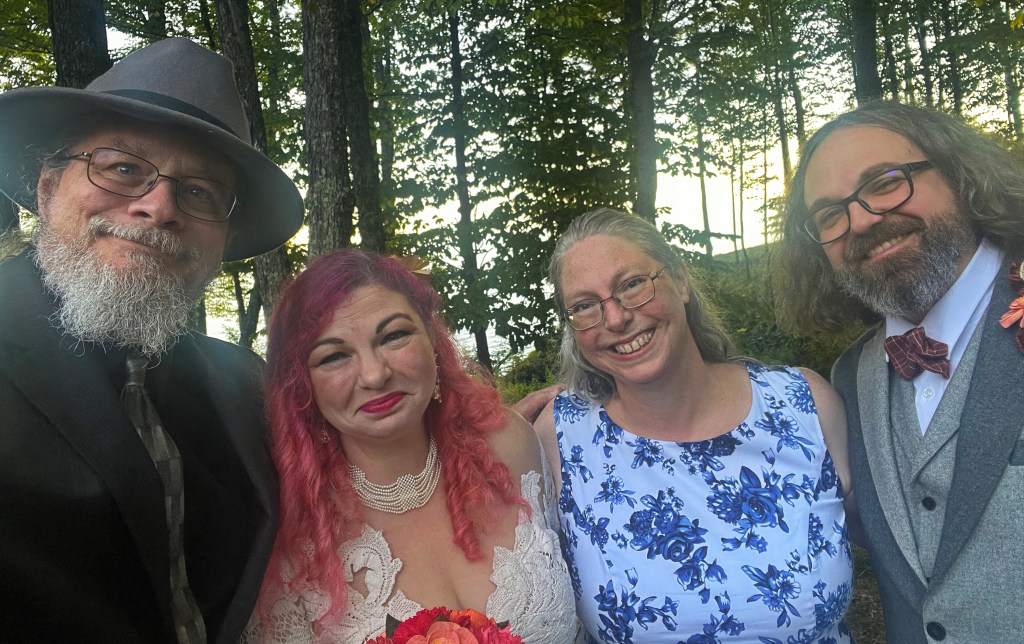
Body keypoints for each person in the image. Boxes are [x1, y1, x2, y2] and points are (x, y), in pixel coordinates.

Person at [0, 38, 303, 642]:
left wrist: (527, 428)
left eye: (199, 193)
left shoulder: (246, 384)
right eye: (121, 168)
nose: (159, 206)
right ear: (46, 190)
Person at [535, 208, 854, 643]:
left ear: (681, 281)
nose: (615, 319)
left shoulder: (804, 405)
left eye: (631, 285)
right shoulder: (560, 438)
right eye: (585, 306)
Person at [773, 101, 1024, 643]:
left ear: (960, 174)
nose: (860, 220)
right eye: (830, 215)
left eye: (885, 182)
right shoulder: (849, 379)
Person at [245, 250, 575, 643]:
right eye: (334, 356)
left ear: (433, 340)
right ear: (303, 387)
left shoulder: (511, 447)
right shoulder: (291, 535)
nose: (374, 374)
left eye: (394, 336)